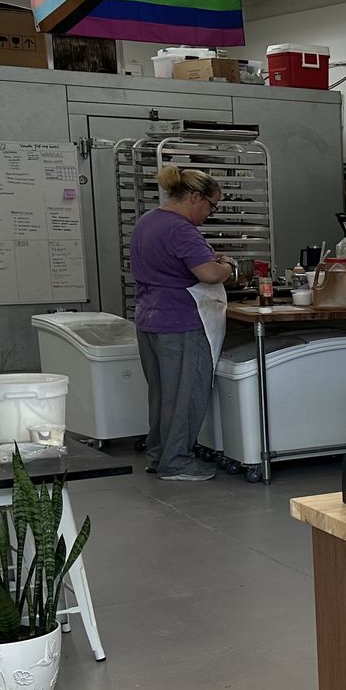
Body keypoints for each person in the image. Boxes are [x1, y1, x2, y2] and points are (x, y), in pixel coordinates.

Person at [131, 165, 234, 481]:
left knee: (162, 395)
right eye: (211, 206)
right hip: (180, 321)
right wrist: (227, 265)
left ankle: (160, 455)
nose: (209, 214)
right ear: (194, 197)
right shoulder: (180, 229)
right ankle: (177, 462)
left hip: (149, 318)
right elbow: (209, 274)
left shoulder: (147, 222)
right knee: (186, 394)